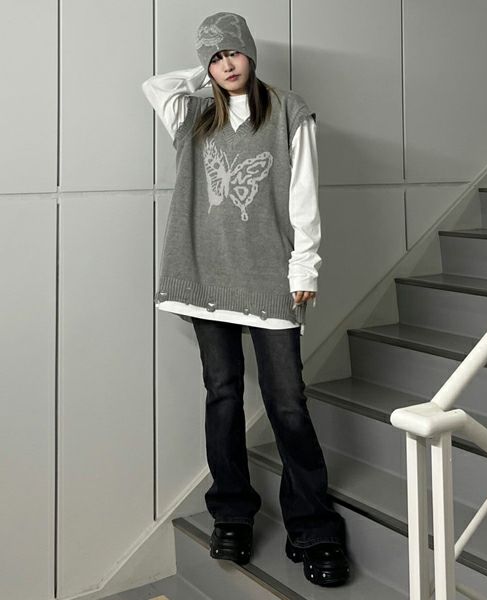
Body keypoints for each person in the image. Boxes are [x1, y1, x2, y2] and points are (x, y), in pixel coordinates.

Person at [141, 11, 350, 587]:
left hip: (268, 276)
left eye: (232, 52)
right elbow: (155, 86)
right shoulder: (192, 114)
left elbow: (303, 194)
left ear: (251, 53)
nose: (226, 64)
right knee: (223, 395)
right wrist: (205, 72)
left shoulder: (288, 110)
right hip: (206, 277)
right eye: (214, 57)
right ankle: (232, 513)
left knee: (288, 403)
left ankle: (314, 525)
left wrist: (304, 265)